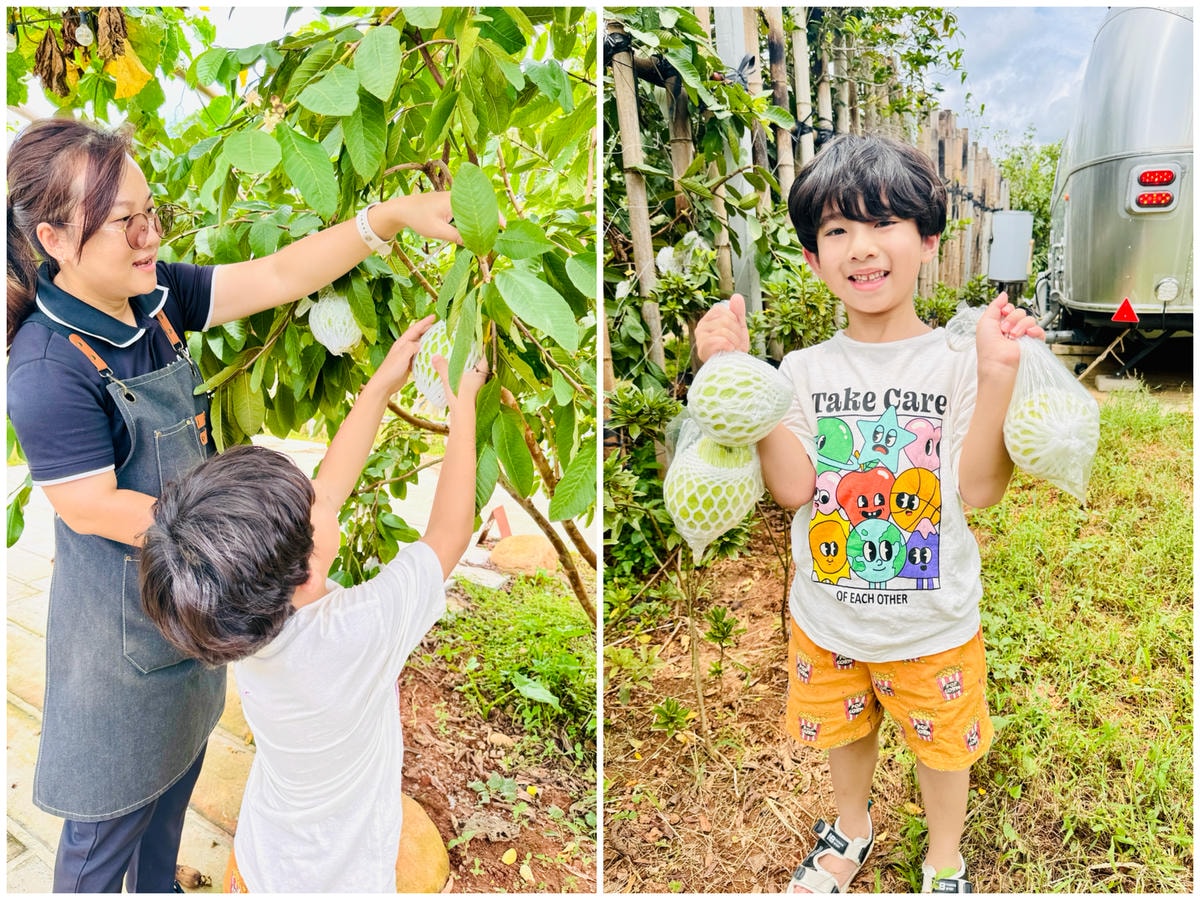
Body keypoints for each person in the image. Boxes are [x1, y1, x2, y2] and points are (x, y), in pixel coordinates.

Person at [5, 116, 460, 892]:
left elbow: (281, 274)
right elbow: (91, 507)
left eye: (153, 213)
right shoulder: (47, 370)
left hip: (204, 601)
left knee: (174, 790)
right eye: (124, 223)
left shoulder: (152, 296)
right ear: (54, 239)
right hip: (122, 635)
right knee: (103, 831)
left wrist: (383, 219)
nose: (148, 236)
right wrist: (252, 541)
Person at [693, 133, 1044, 894]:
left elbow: (979, 489)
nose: (861, 247)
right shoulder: (802, 373)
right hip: (829, 619)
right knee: (844, 735)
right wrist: (735, 379)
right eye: (837, 231)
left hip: (933, 624)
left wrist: (996, 374)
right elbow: (794, 489)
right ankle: (850, 829)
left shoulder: (956, 363)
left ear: (925, 239)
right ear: (815, 260)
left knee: (942, 749)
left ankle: (943, 855)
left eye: (883, 223)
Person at [138, 319, 484, 892]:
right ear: (308, 565)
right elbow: (448, 534)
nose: (325, 494)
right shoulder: (357, 630)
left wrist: (377, 388)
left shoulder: (239, 619)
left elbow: (329, 490)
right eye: (312, 502)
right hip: (342, 871)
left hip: (267, 854)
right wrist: (463, 409)